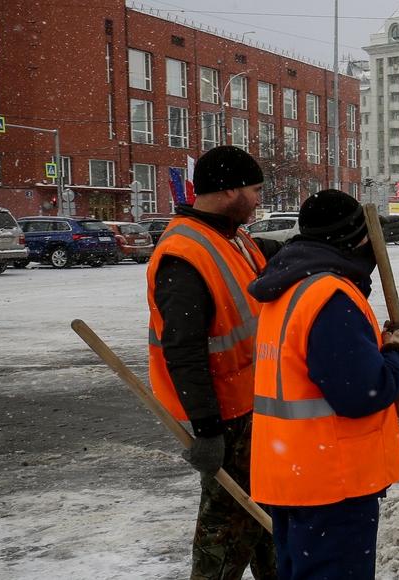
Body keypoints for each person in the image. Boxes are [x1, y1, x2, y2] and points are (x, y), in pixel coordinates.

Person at [246, 189, 399, 579]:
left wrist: (393, 382)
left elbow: (313, 382)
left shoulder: (287, 288)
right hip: (331, 486)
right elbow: (361, 393)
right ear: (357, 239)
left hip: (293, 477)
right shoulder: (329, 297)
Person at [146, 145, 278, 580]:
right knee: (224, 530)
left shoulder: (232, 235)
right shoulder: (184, 253)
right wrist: (206, 428)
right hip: (229, 417)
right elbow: (183, 349)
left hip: (257, 405)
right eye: (255, 189)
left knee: (267, 519)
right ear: (228, 190)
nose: (260, 199)